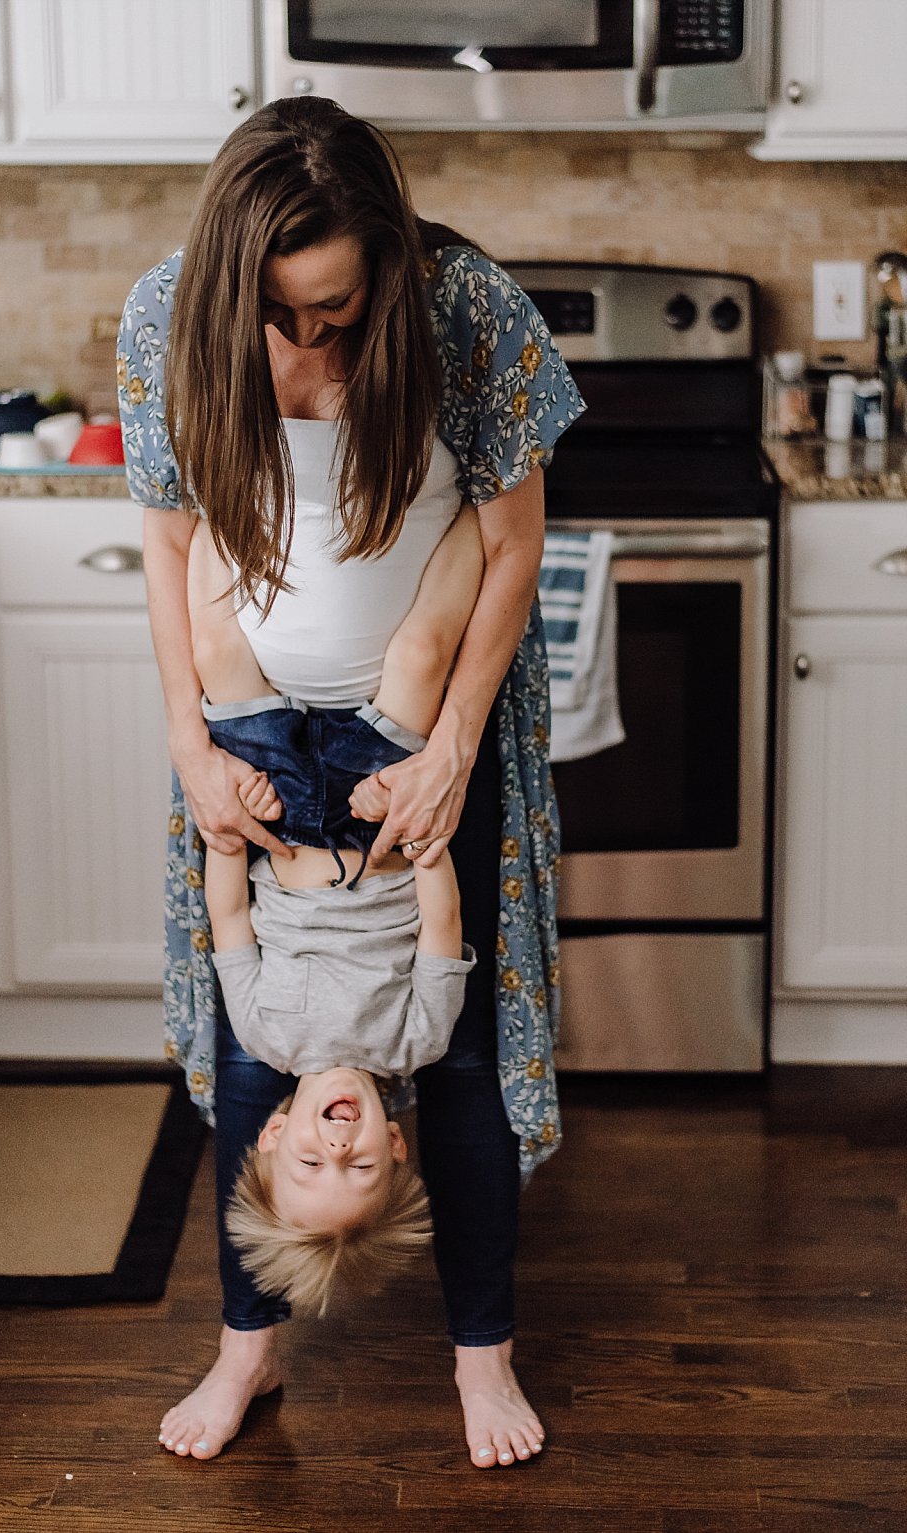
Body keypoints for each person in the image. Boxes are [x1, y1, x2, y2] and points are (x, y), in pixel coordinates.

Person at [116, 95, 582, 1471]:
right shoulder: (165, 314)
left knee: (466, 1070)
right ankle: (247, 1350)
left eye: (338, 312)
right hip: (245, 735)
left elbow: (509, 544)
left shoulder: (464, 305)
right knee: (258, 1060)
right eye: (281, 318)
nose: (312, 347)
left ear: (388, 264)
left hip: (432, 730)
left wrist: (446, 755)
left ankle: (482, 1356)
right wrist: (192, 745)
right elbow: (165, 546)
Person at [194, 504, 486, 1309]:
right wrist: (421, 836)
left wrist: (227, 838)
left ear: (276, 1134)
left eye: (311, 1160)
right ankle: (476, 513)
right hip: (375, 806)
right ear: (394, 1144)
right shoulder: (416, 1041)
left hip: (278, 809)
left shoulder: (264, 1032)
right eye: (358, 1164)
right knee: (421, 652)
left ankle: (213, 511)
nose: (336, 1142)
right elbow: (441, 930)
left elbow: (230, 925)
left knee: (219, 646)